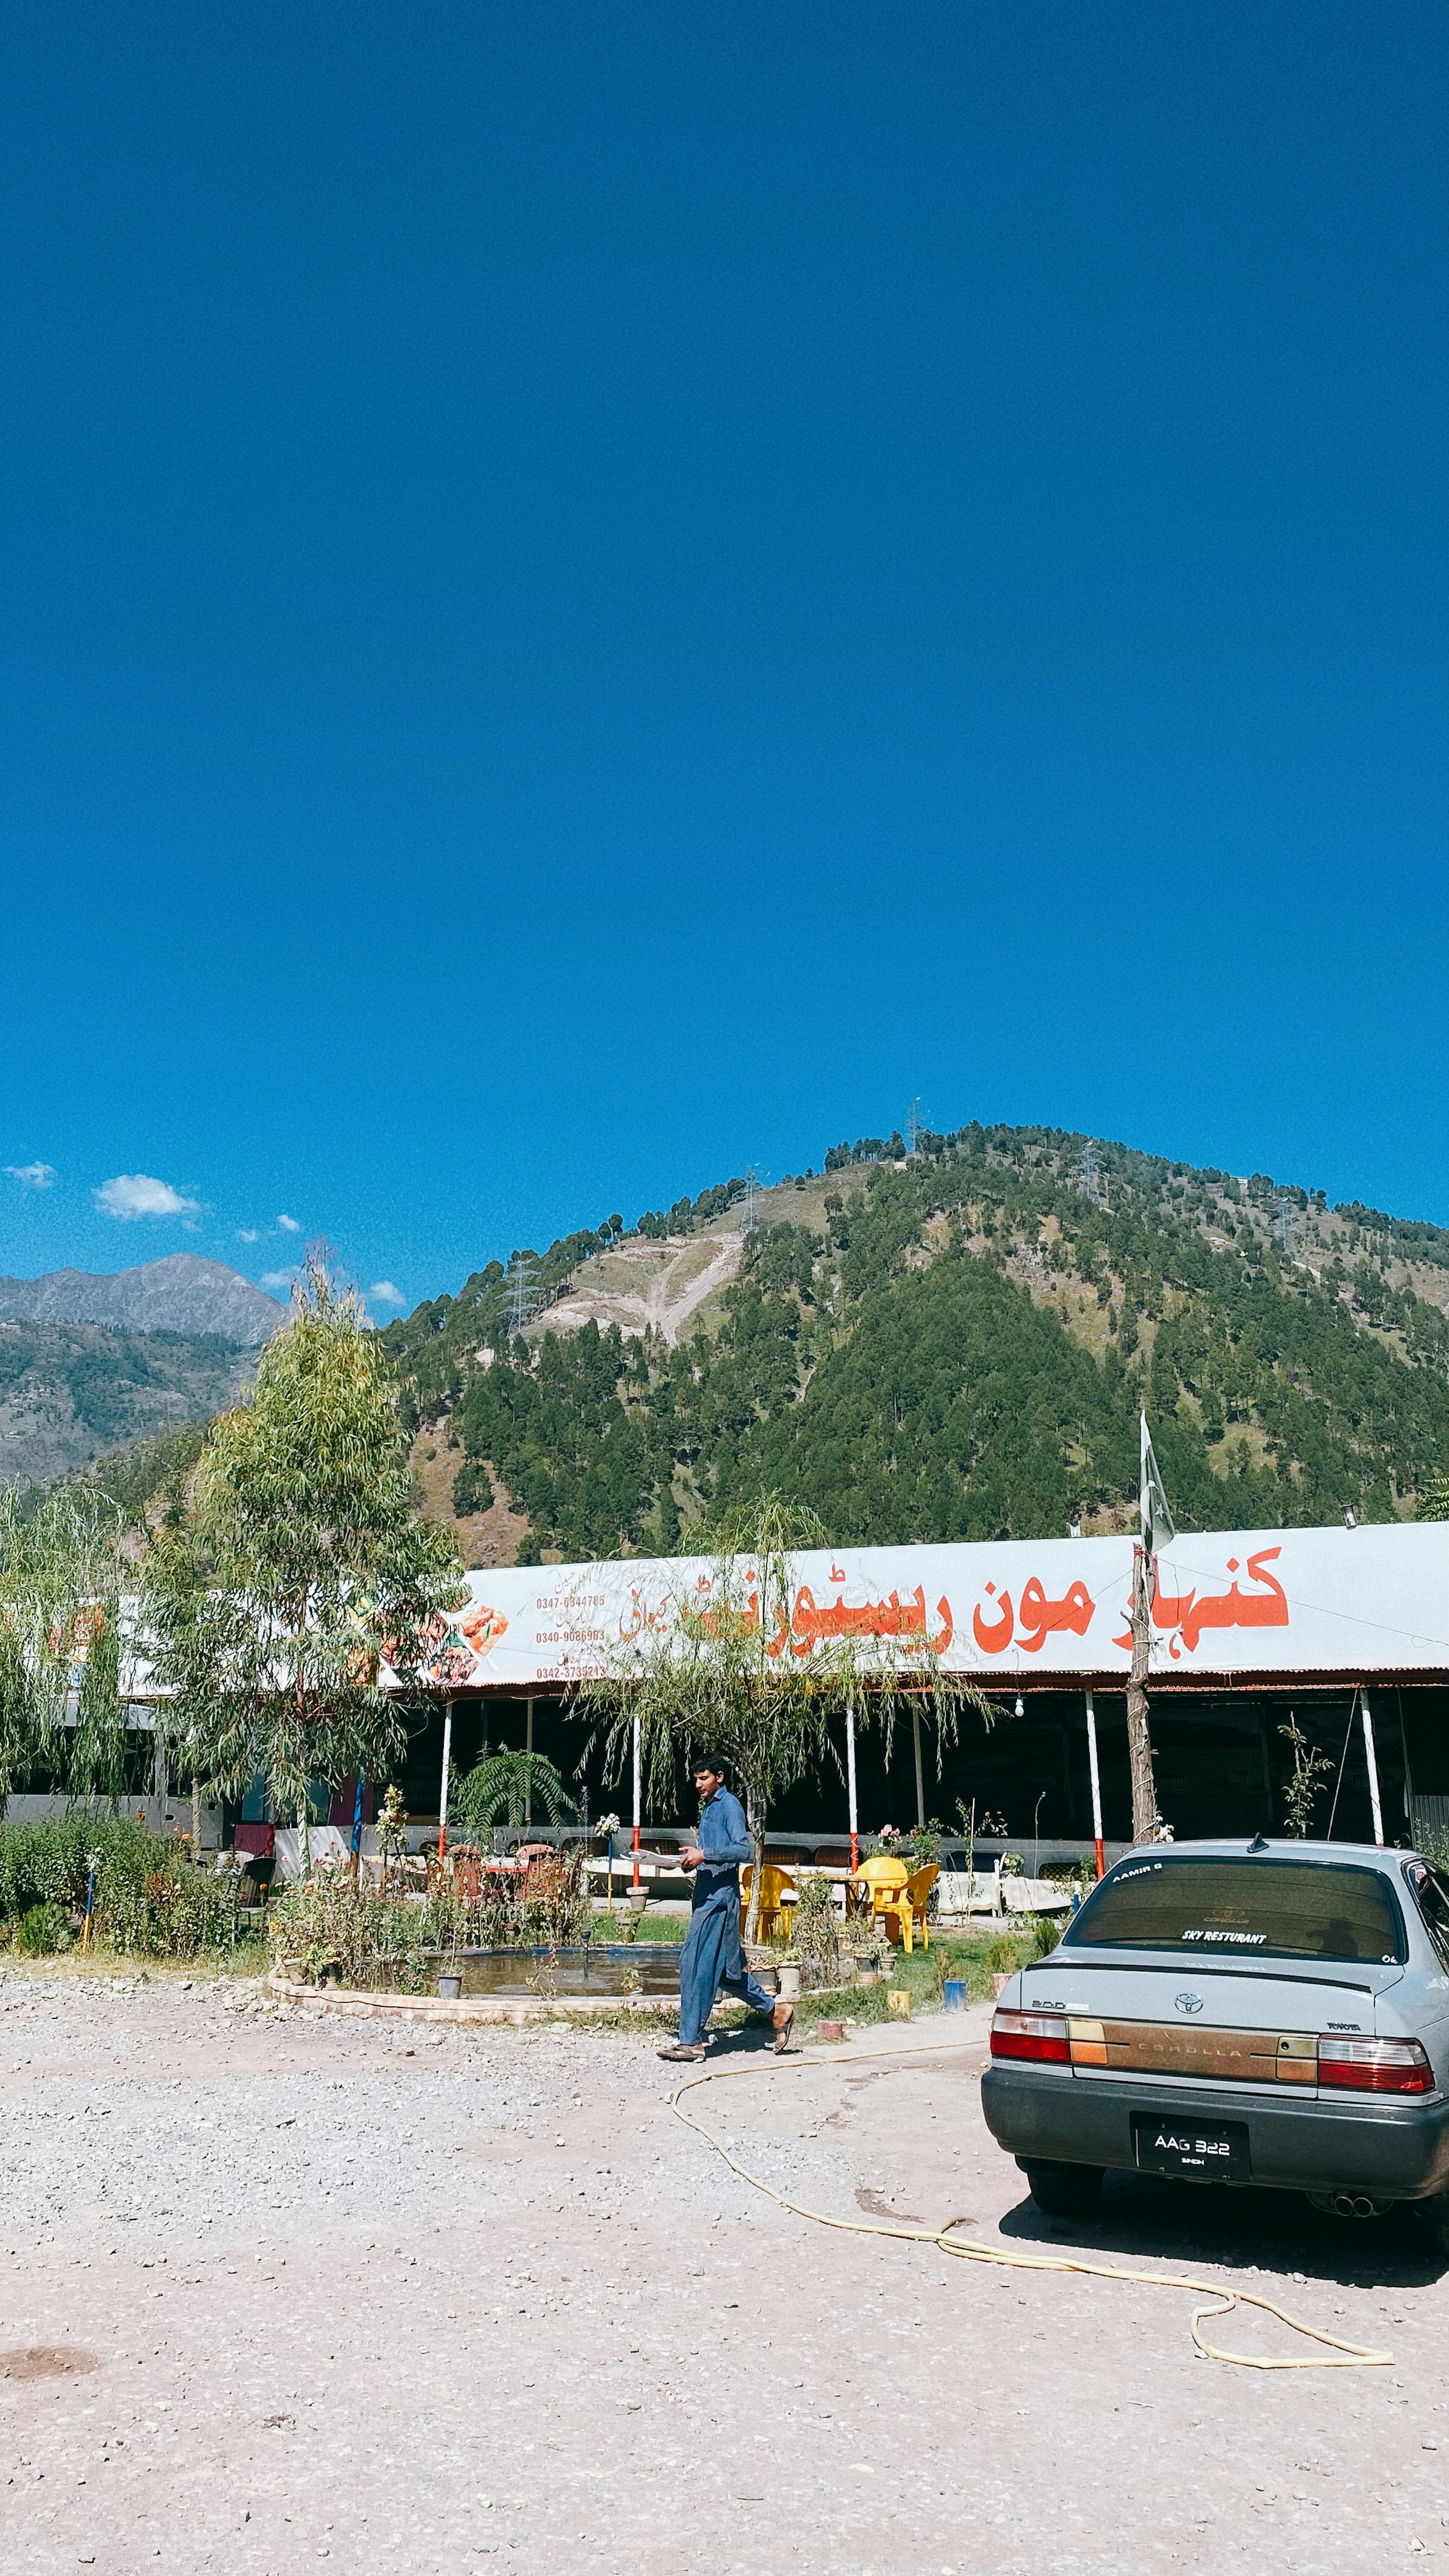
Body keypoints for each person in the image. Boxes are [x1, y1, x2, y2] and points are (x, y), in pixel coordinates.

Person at [657, 1755, 794, 2063]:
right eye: (695, 1779)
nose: (698, 1784)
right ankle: (778, 2012)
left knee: (694, 1964)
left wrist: (705, 1855)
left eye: (703, 1778)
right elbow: (710, 1856)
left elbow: (744, 1849)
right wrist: (690, 1862)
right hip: (707, 1896)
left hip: (720, 1901)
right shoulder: (709, 1808)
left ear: (719, 1776)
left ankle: (691, 2041)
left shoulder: (730, 1804)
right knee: (725, 1973)